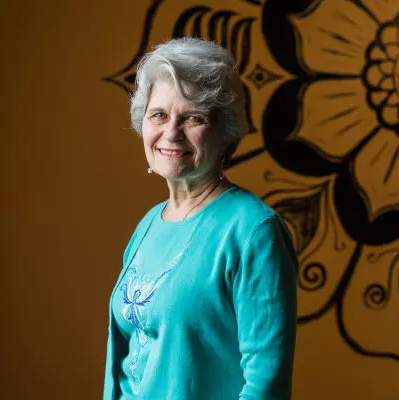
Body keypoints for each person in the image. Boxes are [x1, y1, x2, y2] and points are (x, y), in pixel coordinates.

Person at [104, 37, 297, 400]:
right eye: (158, 115)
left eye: (193, 117)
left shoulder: (253, 232)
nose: (171, 133)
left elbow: (265, 385)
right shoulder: (148, 225)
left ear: (225, 134)